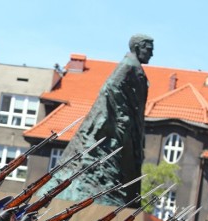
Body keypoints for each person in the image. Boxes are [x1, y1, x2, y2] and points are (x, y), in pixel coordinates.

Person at [54, 34, 154, 206]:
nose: (152, 54)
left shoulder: (135, 66)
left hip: (130, 127)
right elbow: (111, 87)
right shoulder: (129, 65)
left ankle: (128, 199)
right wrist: (122, 115)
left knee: (129, 166)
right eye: (149, 49)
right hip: (119, 125)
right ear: (138, 47)